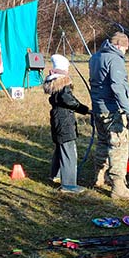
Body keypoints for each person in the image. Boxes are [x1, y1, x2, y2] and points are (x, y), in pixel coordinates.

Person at [88, 31, 129, 201]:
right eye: (125, 49)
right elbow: (117, 88)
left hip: (98, 109)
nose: (125, 52)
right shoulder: (115, 59)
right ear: (119, 45)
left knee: (103, 142)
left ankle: (98, 177)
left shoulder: (95, 57)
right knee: (118, 147)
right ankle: (118, 187)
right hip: (112, 111)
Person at [43, 54, 90, 194]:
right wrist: (86, 110)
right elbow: (69, 100)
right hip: (64, 121)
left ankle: (55, 175)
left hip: (58, 119)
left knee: (60, 148)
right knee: (69, 151)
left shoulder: (55, 83)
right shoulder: (63, 85)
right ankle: (69, 185)